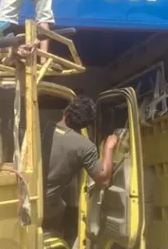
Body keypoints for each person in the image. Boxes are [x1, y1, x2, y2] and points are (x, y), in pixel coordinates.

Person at [40, 95, 118, 233]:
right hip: (44, 203)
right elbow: (104, 180)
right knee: (60, 207)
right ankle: (52, 234)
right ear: (85, 125)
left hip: (20, 193)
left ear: (65, 111)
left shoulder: (41, 126)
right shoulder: (85, 147)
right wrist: (109, 147)